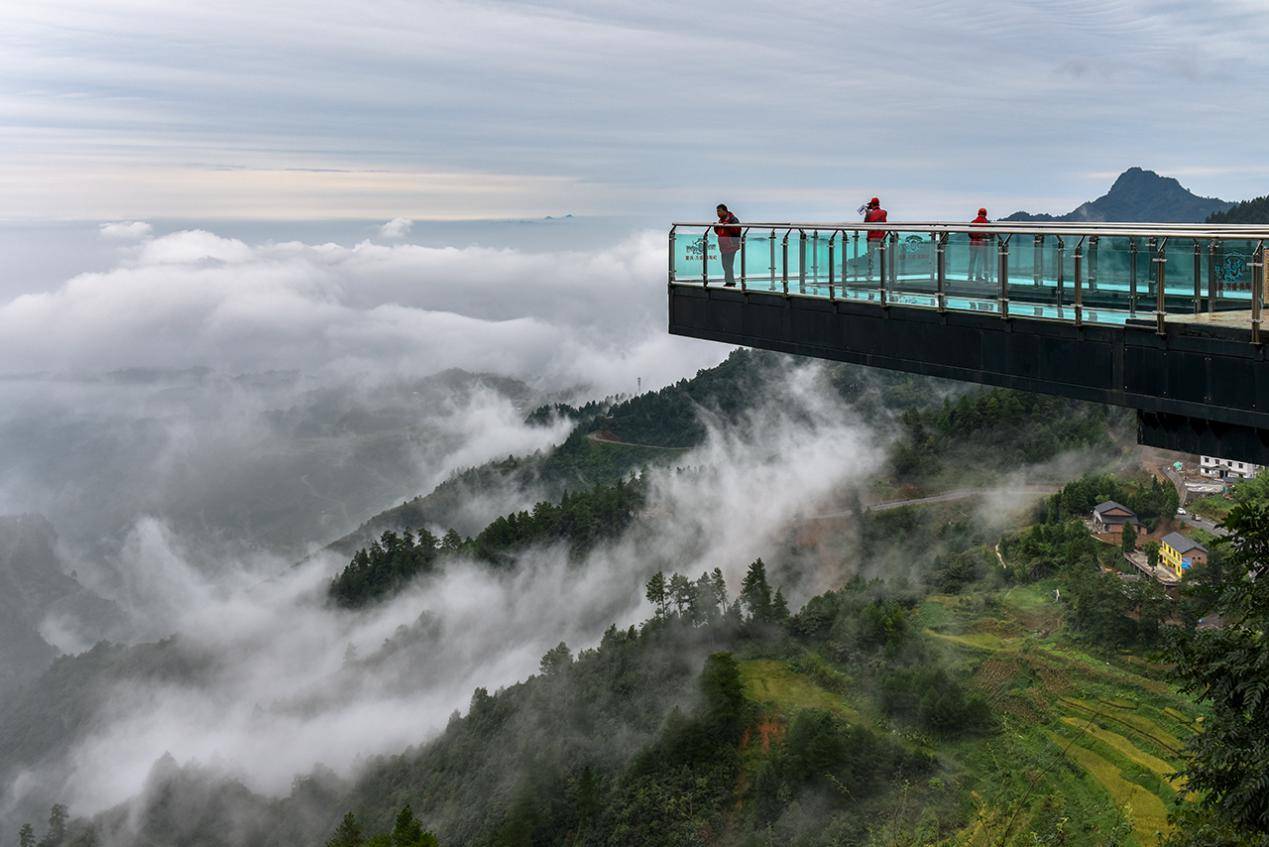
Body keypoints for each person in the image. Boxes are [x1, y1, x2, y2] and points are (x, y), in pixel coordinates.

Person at [714, 204, 741, 286]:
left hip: (731, 246)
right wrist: (716, 227)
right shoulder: (721, 220)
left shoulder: (733, 219)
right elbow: (719, 232)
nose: (718, 213)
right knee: (725, 265)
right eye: (717, 211)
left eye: (719, 211)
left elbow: (737, 230)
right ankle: (729, 281)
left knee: (728, 265)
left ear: (725, 211)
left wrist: (727, 225)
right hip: (724, 247)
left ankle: (730, 282)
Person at [863, 197, 887, 281]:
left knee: (870, 258)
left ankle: (870, 274)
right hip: (882, 238)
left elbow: (865, 223)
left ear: (872, 204)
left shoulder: (869, 214)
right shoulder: (884, 212)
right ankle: (884, 275)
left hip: (872, 238)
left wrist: (867, 213)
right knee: (883, 258)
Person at [968, 207, 990, 283]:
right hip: (982, 244)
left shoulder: (973, 222)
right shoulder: (987, 223)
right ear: (985, 214)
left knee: (972, 261)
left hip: (973, 243)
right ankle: (978, 276)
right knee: (980, 261)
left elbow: (969, 234)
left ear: (978, 213)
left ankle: (970, 277)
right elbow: (990, 234)